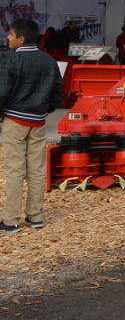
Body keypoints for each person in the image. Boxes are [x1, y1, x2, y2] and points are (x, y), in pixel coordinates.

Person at [0, 19, 63, 233]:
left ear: (21, 39)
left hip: (15, 121)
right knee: (36, 170)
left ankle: (10, 221)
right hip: (38, 122)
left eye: (10, 34)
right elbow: (58, 90)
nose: (8, 38)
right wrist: (46, 109)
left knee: (15, 170)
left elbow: (2, 93)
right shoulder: (49, 61)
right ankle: (36, 217)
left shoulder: (11, 61)